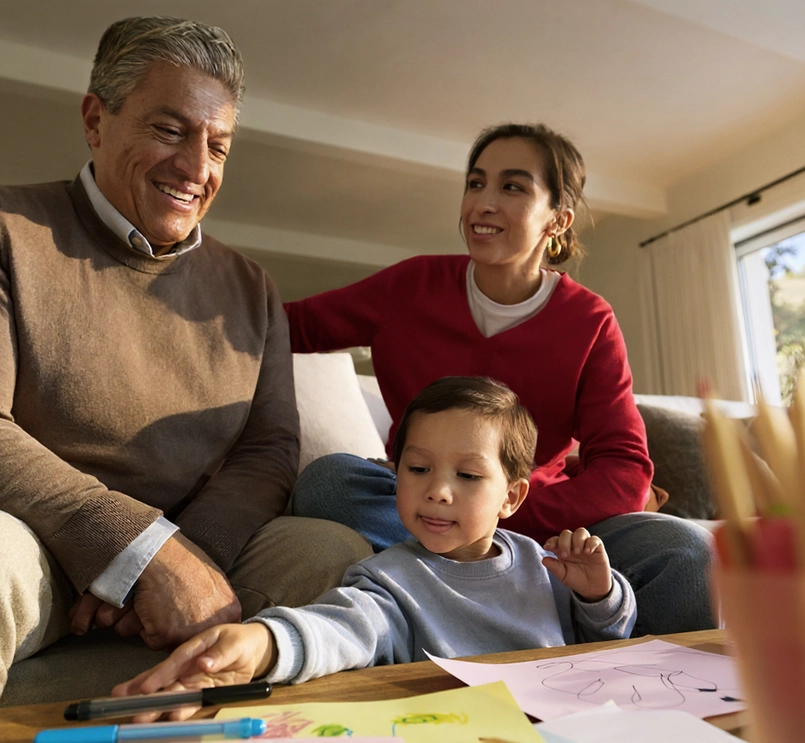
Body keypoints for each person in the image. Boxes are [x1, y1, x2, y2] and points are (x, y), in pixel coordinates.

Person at [0, 15, 371, 697]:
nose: (197, 168)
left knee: (335, 555)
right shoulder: (8, 231)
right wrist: (137, 553)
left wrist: (185, 557)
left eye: (218, 146)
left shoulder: (252, 288)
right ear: (95, 119)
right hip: (38, 538)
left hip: (197, 540)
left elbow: (268, 450)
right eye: (169, 130)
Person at [285, 123, 716, 637]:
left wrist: (498, 507)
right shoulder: (411, 285)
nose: (483, 204)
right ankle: (522, 584)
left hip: (542, 519)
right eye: (475, 183)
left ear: (558, 218)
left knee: (686, 552)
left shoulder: (590, 321)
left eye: (512, 187)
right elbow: (284, 324)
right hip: (434, 499)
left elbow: (624, 469)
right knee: (329, 482)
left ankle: (647, 688)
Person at [114, 376, 636, 715]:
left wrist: (600, 595)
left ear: (512, 497)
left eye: (469, 475)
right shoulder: (390, 578)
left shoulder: (540, 563)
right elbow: (341, 627)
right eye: (418, 468)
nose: (437, 489)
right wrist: (261, 645)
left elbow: (608, 635)